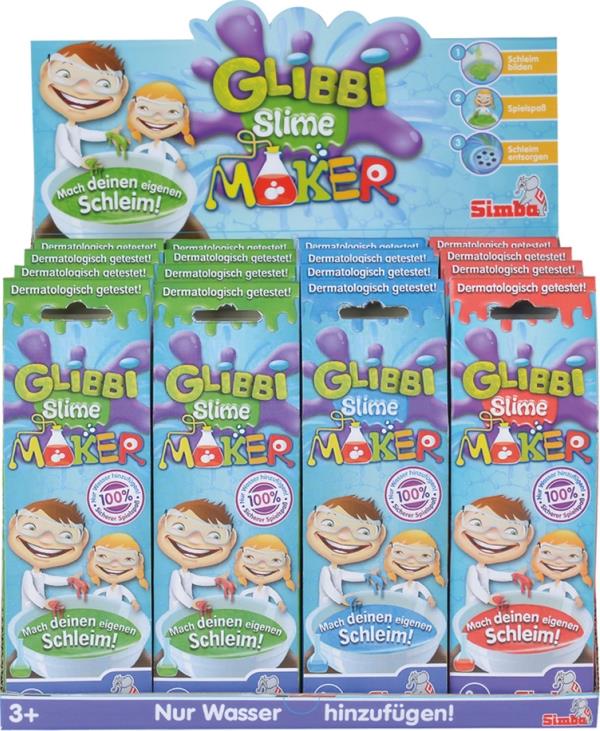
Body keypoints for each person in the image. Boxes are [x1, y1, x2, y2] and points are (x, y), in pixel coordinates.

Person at [39, 42, 129, 170]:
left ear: (123, 88)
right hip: (63, 170)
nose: (81, 89)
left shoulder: (75, 129)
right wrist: (80, 162)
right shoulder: (62, 128)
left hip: (74, 171)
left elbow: (88, 135)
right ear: (45, 71)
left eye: (104, 84)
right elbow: (65, 148)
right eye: (65, 74)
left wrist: (108, 134)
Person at [8, 499, 90, 614]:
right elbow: (30, 592)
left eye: (66, 536)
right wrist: (44, 603)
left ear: (83, 539)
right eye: (31, 527)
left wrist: (68, 580)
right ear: (13, 523)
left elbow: (50, 580)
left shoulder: (39, 575)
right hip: (28, 613)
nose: (46, 540)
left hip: (37, 614)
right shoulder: (28, 574)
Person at [454, 495, 534, 608]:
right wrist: (488, 599)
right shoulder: (472, 569)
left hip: (483, 607)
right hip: (473, 606)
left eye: (512, 532)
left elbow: (496, 575)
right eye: (477, 523)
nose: (491, 536)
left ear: (528, 535)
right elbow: (474, 586)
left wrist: (513, 576)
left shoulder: (483, 569)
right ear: (459, 520)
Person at [306, 495, 386, 607]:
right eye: (329, 523)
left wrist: (367, 576)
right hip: (326, 607)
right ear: (312, 519)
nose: (344, 536)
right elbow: (328, 588)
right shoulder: (325, 571)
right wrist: (341, 599)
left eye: (364, 532)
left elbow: (348, 576)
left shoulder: (337, 571)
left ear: (381, 535)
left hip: (335, 607)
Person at [157, 499, 236, 611]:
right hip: (177, 610)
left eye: (215, 536)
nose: (194, 540)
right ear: (162, 523)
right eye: (180, 527)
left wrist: (216, 580)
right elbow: (178, 592)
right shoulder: (176, 574)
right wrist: (191, 603)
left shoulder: (188, 575)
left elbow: (199, 580)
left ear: (232, 540)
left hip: (186, 611)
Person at [127, 82, 195, 171]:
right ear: (131, 106)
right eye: (143, 108)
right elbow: (139, 149)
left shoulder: (165, 145)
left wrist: (178, 161)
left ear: (185, 113)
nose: (157, 118)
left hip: (161, 168)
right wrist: (134, 157)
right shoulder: (149, 145)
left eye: (172, 112)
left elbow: (173, 153)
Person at [234, 534, 295, 612]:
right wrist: (239, 600)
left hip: (264, 608)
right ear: (239, 555)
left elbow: (275, 596)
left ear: (287, 562)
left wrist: (280, 603)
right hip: (254, 608)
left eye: (275, 560)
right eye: (250, 557)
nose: (261, 566)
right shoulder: (255, 589)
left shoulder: (267, 589)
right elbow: (244, 593)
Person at [384, 529, 445, 608]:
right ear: (389, 551)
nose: (411, 562)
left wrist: (430, 598)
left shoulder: (417, 585)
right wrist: (389, 595)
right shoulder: (404, 585)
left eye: (425, 555)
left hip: (414, 604)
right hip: (404, 604)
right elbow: (394, 588)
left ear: (436, 557)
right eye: (399, 552)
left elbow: (425, 592)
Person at [531, 530, 592, 608]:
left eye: (572, 556)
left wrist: (577, 598)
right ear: (536, 551)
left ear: (583, 557)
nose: (558, 562)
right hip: (550, 604)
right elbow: (541, 588)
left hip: (561, 604)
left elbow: (572, 591)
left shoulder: (564, 585)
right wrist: (535, 594)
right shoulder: (552, 585)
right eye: (547, 552)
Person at [87, 533, 148, 611]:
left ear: (139, 560)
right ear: (91, 555)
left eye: (128, 559)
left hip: (118, 608)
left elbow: (129, 595)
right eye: (103, 556)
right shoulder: (108, 588)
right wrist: (94, 599)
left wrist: (134, 602)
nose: (114, 565)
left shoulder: (121, 588)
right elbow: (98, 592)